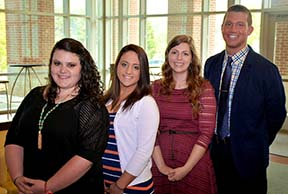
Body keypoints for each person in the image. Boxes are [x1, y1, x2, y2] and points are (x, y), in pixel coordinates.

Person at [4, 38, 109, 194]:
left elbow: (86, 157)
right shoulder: (34, 96)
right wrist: (18, 178)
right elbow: (14, 138)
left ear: (83, 69)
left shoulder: (92, 107)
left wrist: (48, 187)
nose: (62, 70)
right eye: (57, 63)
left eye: (71, 65)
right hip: (30, 189)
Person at [204, 5, 286, 194]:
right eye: (229, 24)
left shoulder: (266, 70)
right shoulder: (211, 64)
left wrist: (258, 140)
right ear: (222, 28)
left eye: (240, 24)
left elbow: (276, 115)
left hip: (250, 157)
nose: (233, 30)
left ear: (250, 30)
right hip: (215, 153)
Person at [151, 34, 218, 194]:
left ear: (192, 58)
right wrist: (161, 166)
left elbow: (206, 133)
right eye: (174, 52)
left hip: (193, 163)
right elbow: (149, 130)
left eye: (185, 53)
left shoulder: (204, 88)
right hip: (160, 161)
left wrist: (186, 169)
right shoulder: (155, 88)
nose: (179, 58)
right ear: (168, 55)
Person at [102, 44, 159, 194]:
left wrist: (119, 185)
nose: (128, 71)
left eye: (136, 67)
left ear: (142, 73)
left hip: (132, 186)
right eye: (124, 64)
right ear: (117, 67)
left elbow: (144, 151)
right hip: (105, 182)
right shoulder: (105, 101)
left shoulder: (146, 103)